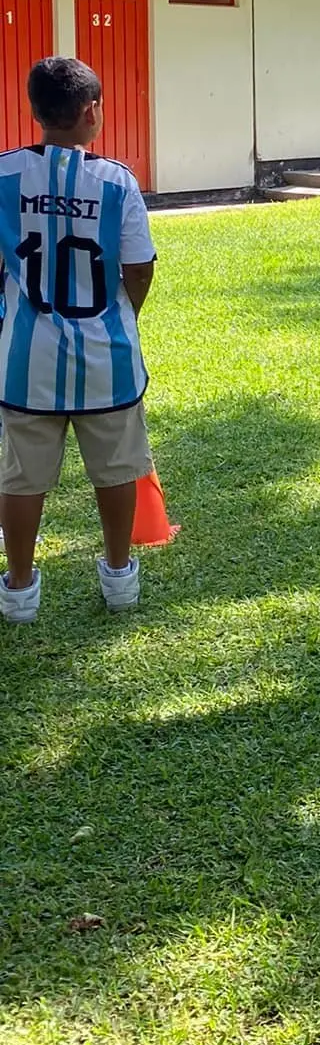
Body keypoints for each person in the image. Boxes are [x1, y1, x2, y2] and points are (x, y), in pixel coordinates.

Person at [0, 57, 158, 623]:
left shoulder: (3, 175)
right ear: (91, 111)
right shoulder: (117, 181)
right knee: (116, 468)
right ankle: (119, 577)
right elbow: (138, 268)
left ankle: (19, 589)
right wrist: (124, 316)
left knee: (22, 474)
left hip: (25, 359)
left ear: (36, 110)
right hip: (106, 357)